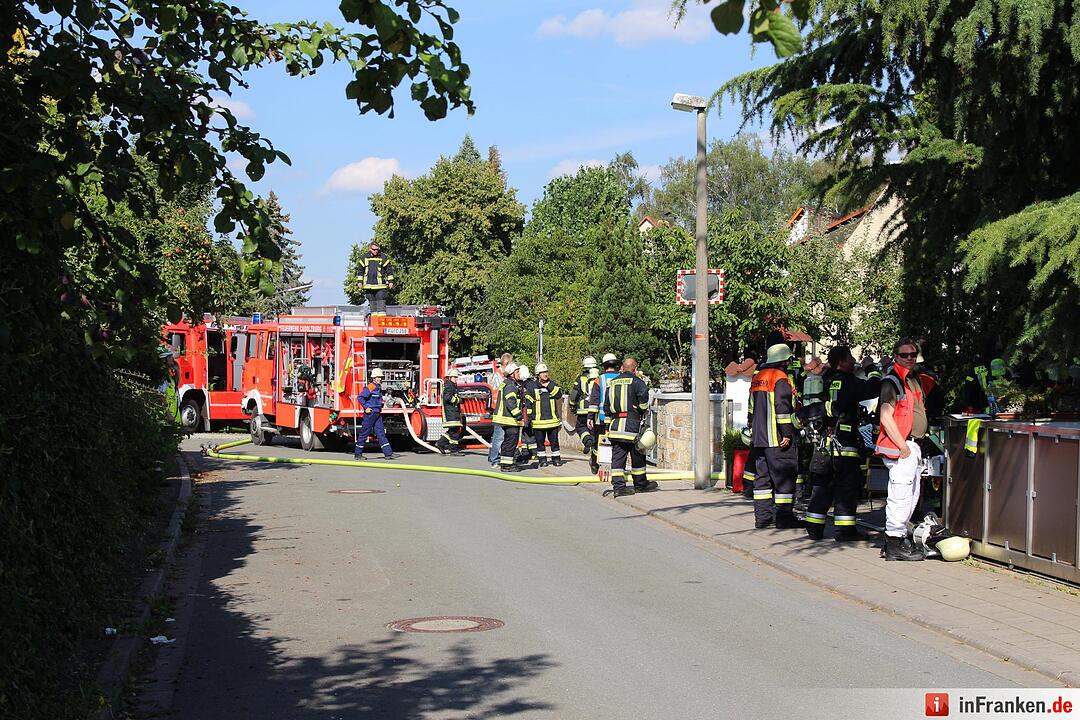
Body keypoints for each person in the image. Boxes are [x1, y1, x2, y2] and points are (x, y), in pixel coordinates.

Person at [805, 346, 881, 541]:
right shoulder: (848, 381)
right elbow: (875, 387)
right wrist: (871, 367)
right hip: (845, 446)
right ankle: (845, 532)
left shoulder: (825, 380)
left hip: (824, 445)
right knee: (846, 490)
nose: (854, 361)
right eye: (850, 358)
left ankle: (813, 529)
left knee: (821, 489)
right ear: (841, 361)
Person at [876, 337, 929, 561]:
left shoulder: (910, 380)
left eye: (912, 355)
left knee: (910, 494)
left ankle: (896, 540)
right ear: (896, 356)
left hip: (911, 445)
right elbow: (886, 416)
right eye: (904, 355)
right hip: (902, 446)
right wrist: (902, 446)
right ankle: (894, 543)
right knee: (901, 494)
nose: (909, 358)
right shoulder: (893, 381)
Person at [748, 343, 800, 529]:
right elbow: (783, 408)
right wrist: (786, 433)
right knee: (784, 478)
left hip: (759, 439)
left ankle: (762, 518)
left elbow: (751, 410)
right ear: (784, 360)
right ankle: (784, 519)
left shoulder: (758, 378)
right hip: (777, 440)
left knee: (762, 479)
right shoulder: (780, 378)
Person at [603, 358, 657, 497]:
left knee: (618, 458)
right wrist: (640, 409)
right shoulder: (637, 382)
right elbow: (644, 400)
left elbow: (606, 407)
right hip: (631, 425)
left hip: (615, 425)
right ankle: (640, 484)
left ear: (622, 368)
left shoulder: (612, 383)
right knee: (638, 454)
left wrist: (608, 426)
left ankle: (619, 487)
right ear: (635, 369)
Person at [587, 353, 621, 475]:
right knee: (615, 443)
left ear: (604, 366)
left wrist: (590, 417)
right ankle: (614, 467)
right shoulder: (621, 378)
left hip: (601, 419)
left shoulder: (599, 379)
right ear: (616, 364)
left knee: (598, 442)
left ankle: (595, 464)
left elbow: (594, 401)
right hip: (617, 418)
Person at [354, 368, 398, 461]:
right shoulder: (371, 387)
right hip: (370, 414)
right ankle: (358, 454)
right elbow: (360, 397)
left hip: (377, 413)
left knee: (381, 433)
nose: (381, 379)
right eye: (379, 377)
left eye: (381, 377)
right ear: (374, 378)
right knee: (364, 433)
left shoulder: (378, 387)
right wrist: (366, 407)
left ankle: (388, 453)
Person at [529, 363, 564, 466]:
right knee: (540, 443)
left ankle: (556, 459)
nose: (545, 374)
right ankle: (542, 460)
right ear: (537, 374)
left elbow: (559, 395)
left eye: (546, 372)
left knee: (554, 442)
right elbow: (528, 402)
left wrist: (548, 385)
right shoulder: (532, 386)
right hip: (538, 421)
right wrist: (530, 417)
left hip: (552, 421)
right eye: (542, 372)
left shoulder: (553, 384)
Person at [492, 363, 525, 472]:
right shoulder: (511, 385)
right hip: (509, 418)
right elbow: (510, 401)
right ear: (511, 374)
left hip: (505, 418)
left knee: (507, 441)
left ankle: (505, 463)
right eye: (517, 372)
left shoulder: (507, 383)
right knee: (511, 442)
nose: (519, 374)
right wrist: (518, 414)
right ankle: (507, 465)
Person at [355, 240, 395, 316]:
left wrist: (391, 281)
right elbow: (360, 271)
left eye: (377, 249)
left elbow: (389, 270)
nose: (376, 251)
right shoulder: (364, 258)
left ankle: (382, 323)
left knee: (381, 310)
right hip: (368, 286)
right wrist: (360, 282)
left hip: (380, 286)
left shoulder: (383, 257)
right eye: (374, 249)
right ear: (370, 249)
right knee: (373, 311)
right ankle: (374, 324)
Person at [488, 353, 514, 469]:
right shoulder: (499, 376)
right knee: (498, 437)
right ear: (506, 363)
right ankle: (495, 460)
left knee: (500, 437)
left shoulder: (501, 375)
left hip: (502, 410)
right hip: (499, 410)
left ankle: (496, 457)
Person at [568, 356, 597, 454]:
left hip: (583, 409)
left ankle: (587, 440)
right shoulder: (599, 379)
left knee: (581, 427)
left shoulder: (580, 379)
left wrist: (572, 405)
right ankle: (593, 446)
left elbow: (574, 395)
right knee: (594, 428)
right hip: (595, 409)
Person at [436, 367, 465, 456]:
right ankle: (453, 450)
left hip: (453, 412)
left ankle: (440, 443)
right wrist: (458, 400)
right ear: (450, 377)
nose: (456, 379)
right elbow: (447, 398)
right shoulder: (449, 386)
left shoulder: (451, 385)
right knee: (455, 432)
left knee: (453, 431)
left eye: (457, 377)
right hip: (450, 412)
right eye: (455, 377)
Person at [517, 364, 538, 464]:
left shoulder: (526, 386)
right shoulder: (532, 384)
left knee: (529, 434)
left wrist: (527, 417)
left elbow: (527, 402)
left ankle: (532, 453)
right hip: (531, 414)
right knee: (527, 434)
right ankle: (528, 453)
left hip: (529, 415)